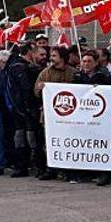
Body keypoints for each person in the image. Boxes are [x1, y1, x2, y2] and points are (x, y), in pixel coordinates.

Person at [33, 46, 76, 181]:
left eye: (54, 56)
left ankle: (67, 170)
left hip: (69, 117)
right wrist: (40, 89)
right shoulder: (45, 73)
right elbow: (36, 92)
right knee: (50, 143)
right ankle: (51, 169)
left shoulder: (73, 72)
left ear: (62, 57)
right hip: (50, 116)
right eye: (51, 56)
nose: (51, 58)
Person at [7, 44, 45, 177]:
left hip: (24, 108)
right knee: (26, 138)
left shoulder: (28, 67)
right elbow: (25, 88)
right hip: (23, 109)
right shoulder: (18, 67)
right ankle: (23, 166)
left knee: (31, 138)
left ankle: (33, 166)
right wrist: (27, 107)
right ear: (30, 52)